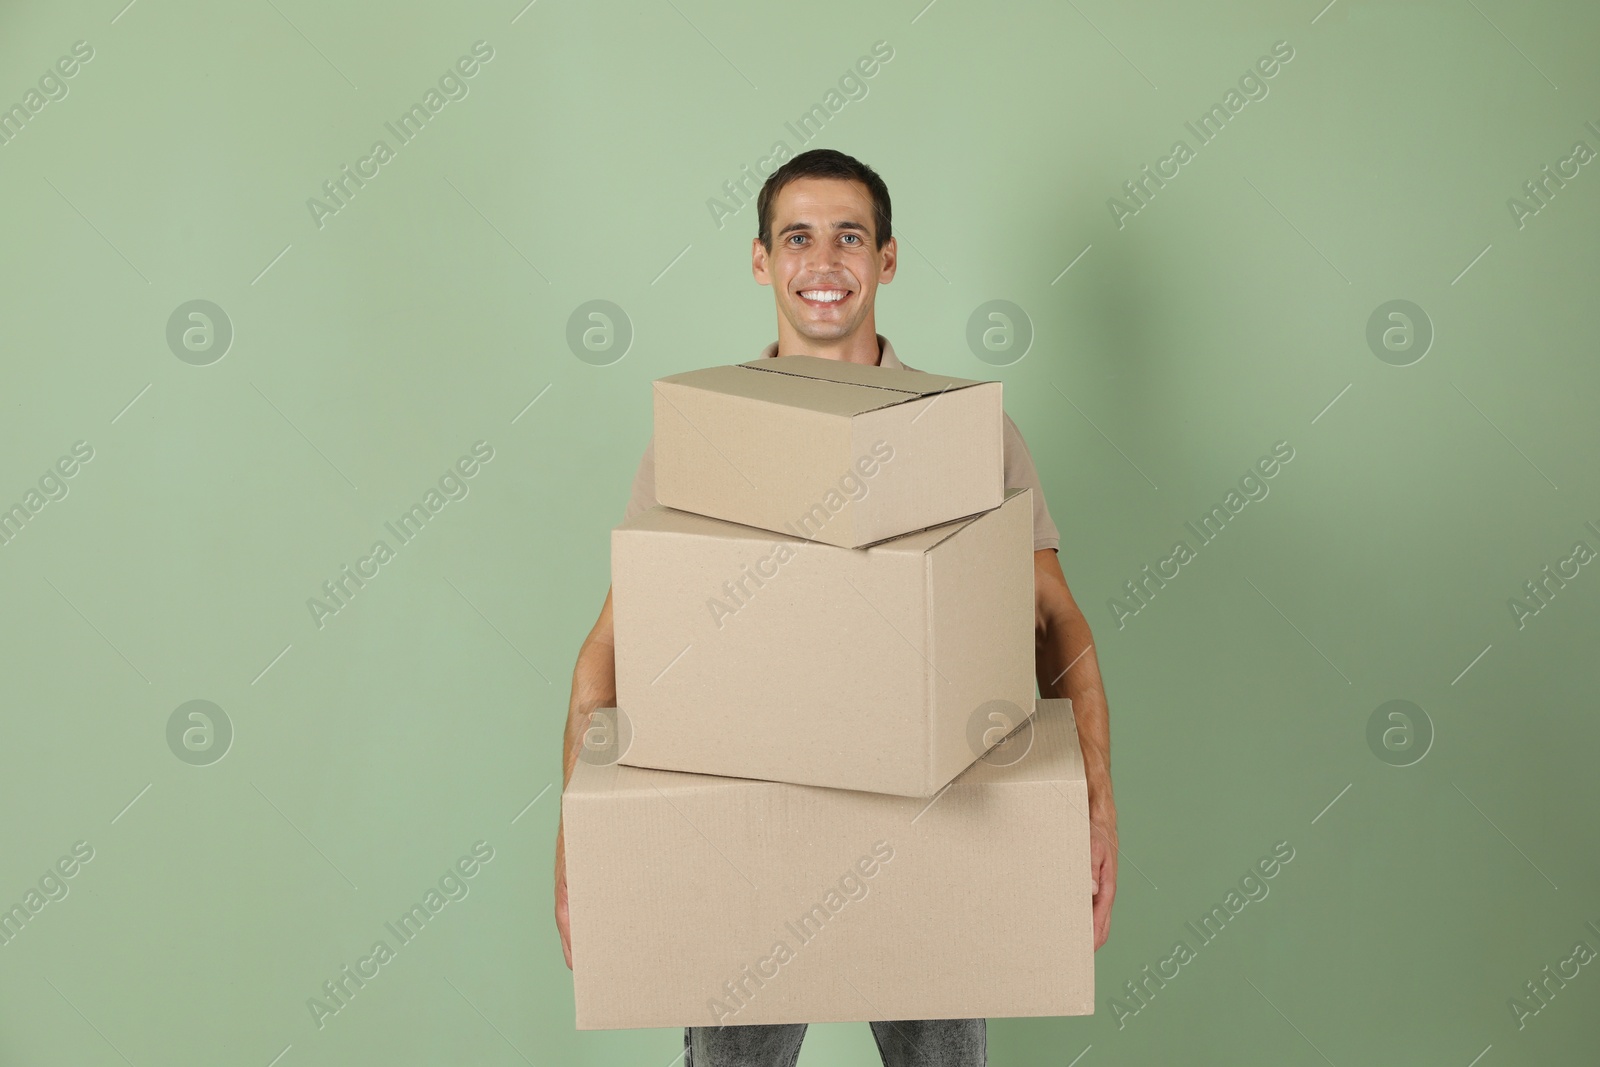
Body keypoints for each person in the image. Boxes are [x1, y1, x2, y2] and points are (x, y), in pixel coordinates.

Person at [555, 148, 1118, 1066]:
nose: (825, 262)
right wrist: (577, 836)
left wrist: (1094, 804)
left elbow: (1057, 621)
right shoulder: (700, 436)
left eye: (850, 237)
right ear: (762, 260)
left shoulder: (968, 430)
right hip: (746, 821)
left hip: (944, 809)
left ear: (887, 259)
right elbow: (607, 649)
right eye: (799, 237)